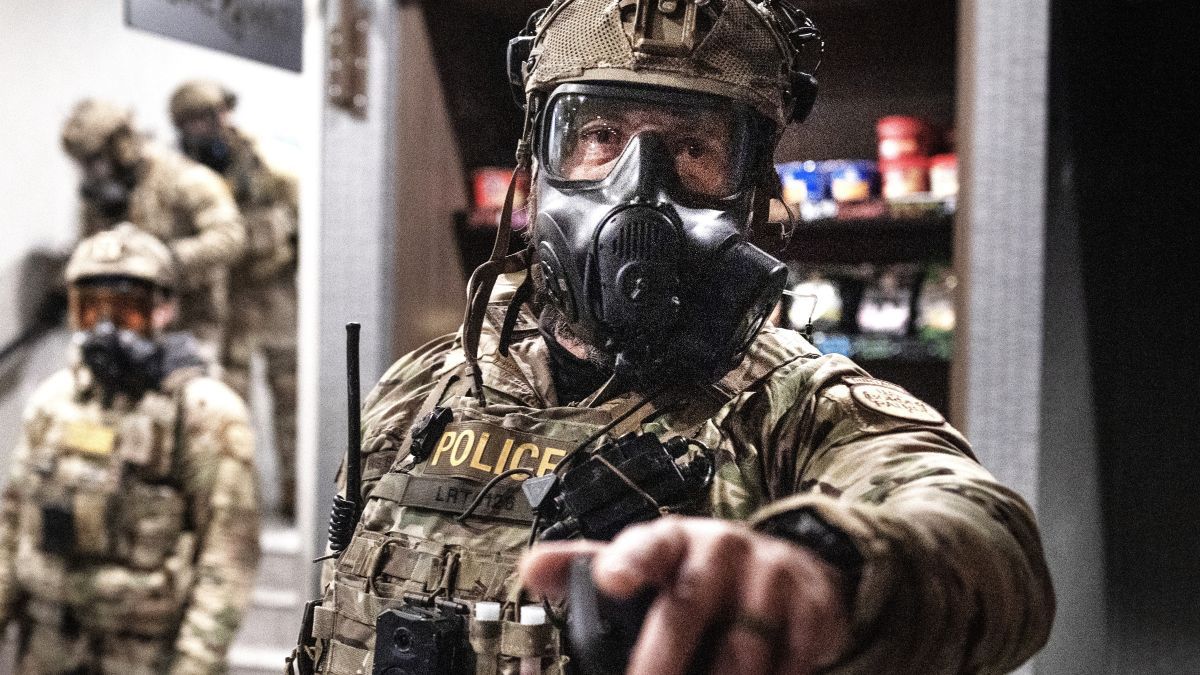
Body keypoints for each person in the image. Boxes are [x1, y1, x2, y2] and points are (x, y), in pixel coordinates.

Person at [290, 1, 1054, 674]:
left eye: (694, 148)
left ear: (754, 188)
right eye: (598, 133)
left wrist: (829, 567)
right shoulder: (426, 389)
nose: (638, 186)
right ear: (539, 164)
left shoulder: (797, 410)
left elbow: (992, 548)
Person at [0, 224, 262, 674]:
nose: (105, 327)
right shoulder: (53, 400)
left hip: (145, 657)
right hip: (46, 648)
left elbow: (226, 560)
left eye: (126, 310)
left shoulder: (204, 412)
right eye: (90, 309)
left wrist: (194, 665)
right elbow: (10, 523)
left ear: (164, 309)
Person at [169, 80, 301, 518]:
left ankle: (296, 496)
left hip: (274, 293)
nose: (212, 125)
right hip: (222, 303)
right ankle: (233, 502)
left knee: (292, 401)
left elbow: (300, 226)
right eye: (198, 120)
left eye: (216, 114)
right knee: (228, 401)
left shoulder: (269, 164)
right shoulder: (182, 175)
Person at [60, 98, 246, 362]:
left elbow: (230, 237)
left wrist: (166, 258)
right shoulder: (99, 195)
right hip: (127, 324)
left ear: (119, 145)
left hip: (191, 321)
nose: (87, 172)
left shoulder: (183, 178)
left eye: (93, 160)